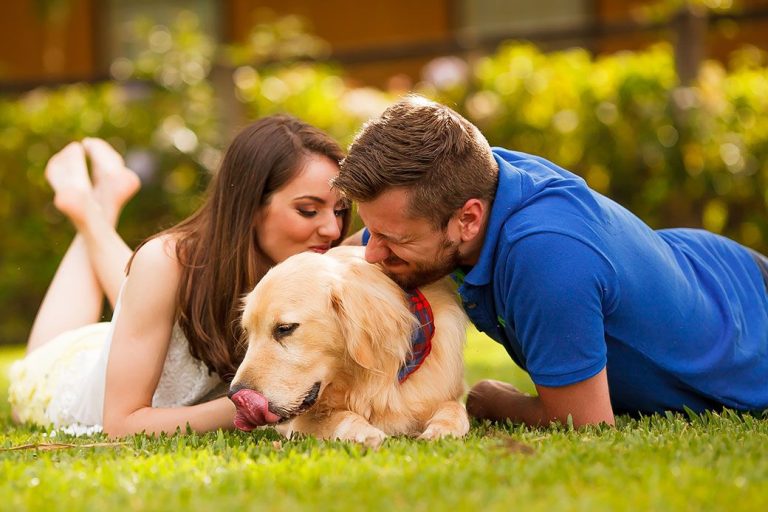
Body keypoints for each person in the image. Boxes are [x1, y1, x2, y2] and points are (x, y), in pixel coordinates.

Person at [332, 94, 768, 427]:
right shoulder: (469, 178)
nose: (371, 251)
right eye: (374, 230)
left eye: (393, 239)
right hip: (708, 268)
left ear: (468, 219)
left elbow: (588, 425)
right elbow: (343, 259)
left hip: (751, 325)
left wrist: (491, 399)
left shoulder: (546, 258)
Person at [9, 115, 350, 437]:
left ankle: (98, 202)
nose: (333, 229)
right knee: (41, 361)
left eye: (340, 210)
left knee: (152, 284)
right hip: (67, 378)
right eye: (308, 210)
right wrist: (250, 403)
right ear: (250, 205)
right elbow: (120, 424)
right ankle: (84, 206)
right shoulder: (165, 261)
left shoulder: (319, 274)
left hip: (132, 346)